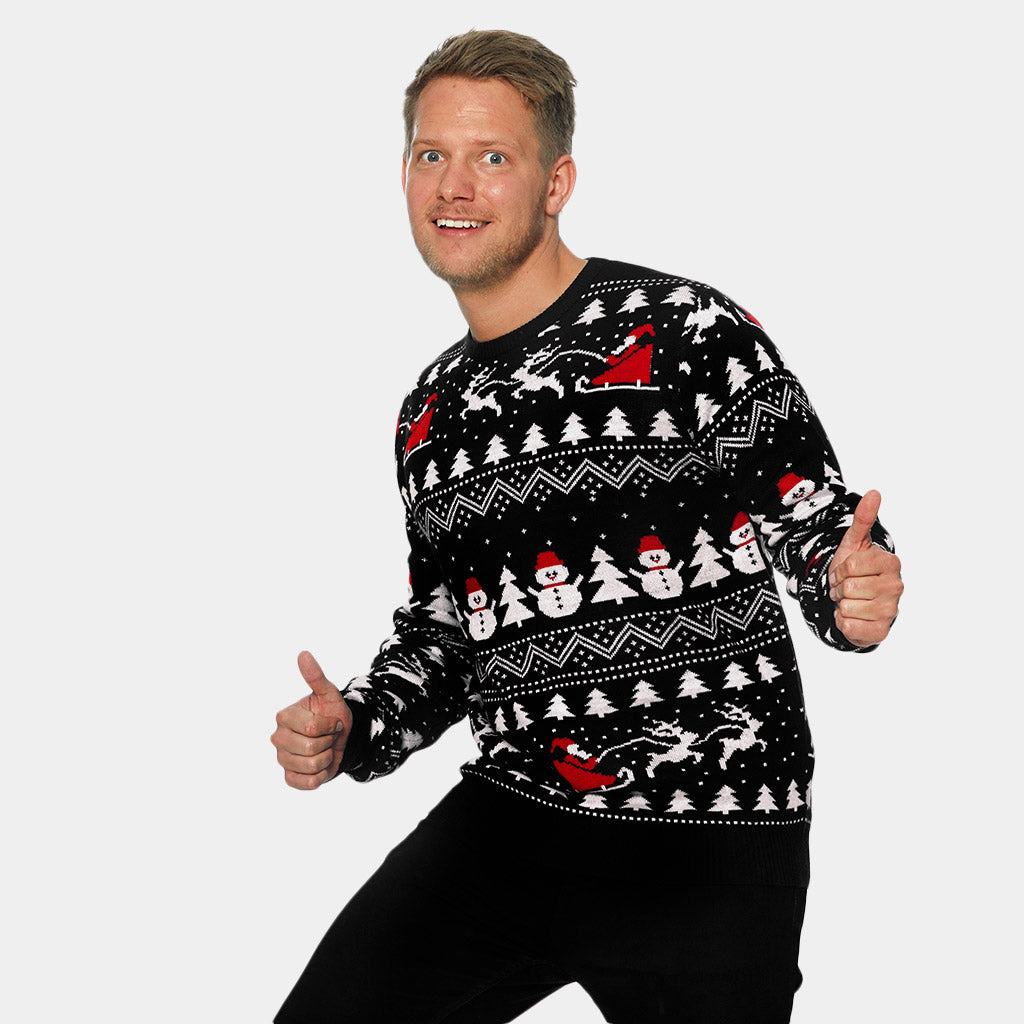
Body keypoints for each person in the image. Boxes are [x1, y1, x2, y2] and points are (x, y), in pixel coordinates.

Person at [271, 28, 903, 1024]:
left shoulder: (686, 329)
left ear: (555, 182)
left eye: (492, 157)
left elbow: (819, 525)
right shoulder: (430, 412)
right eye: (432, 154)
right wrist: (359, 725)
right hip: (516, 817)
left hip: (706, 836)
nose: (454, 187)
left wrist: (847, 590)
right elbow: (454, 630)